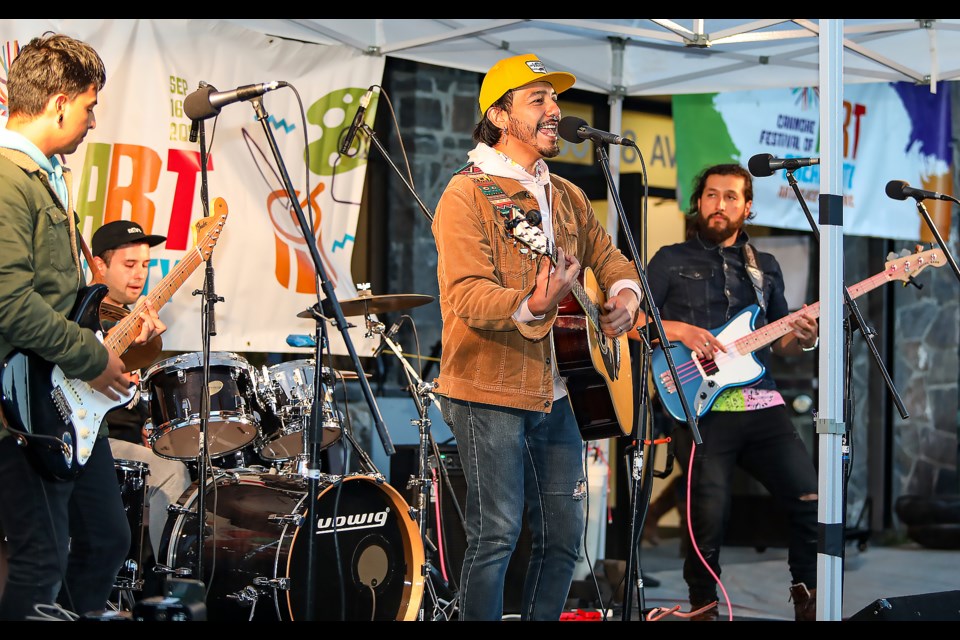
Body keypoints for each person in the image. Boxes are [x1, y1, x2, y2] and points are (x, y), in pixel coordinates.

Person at [431, 53, 642, 621]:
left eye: (554, 99)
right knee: (496, 534)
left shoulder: (567, 195)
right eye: (538, 101)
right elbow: (466, 297)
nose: (555, 112)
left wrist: (623, 296)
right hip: (487, 389)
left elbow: (613, 258)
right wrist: (533, 303)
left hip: (562, 388)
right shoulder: (466, 195)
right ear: (500, 117)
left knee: (565, 537)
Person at [0, 32, 164, 620]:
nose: (94, 119)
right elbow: (9, 301)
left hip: (61, 399)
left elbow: (65, 297)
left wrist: (119, 328)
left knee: (104, 540)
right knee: (41, 557)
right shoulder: (8, 177)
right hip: (24, 407)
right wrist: (94, 360)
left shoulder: (47, 175)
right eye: (91, 104)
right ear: (59, 101)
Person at [632, 163, 820, 621]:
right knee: (706, 518)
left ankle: (808, 598)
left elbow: (780, 340)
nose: (721, 205)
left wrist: (806, 335)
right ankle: (705, 609)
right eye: (712, 195)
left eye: (731, 197)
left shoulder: (766, 266)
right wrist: (680, 330)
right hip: (701, 407)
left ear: (747, 207)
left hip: (762, 404)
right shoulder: (669, 260)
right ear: (699, 203)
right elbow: (634, 325)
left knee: (811, 499)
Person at [89, 220, 192, 572]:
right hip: (89, 443)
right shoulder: (86, 317)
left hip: (124, 444)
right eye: (129, 265)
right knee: (170, 473)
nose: (139, 275)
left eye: (146, 266)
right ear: (99, 265)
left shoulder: (137, 321)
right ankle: (171, 587)